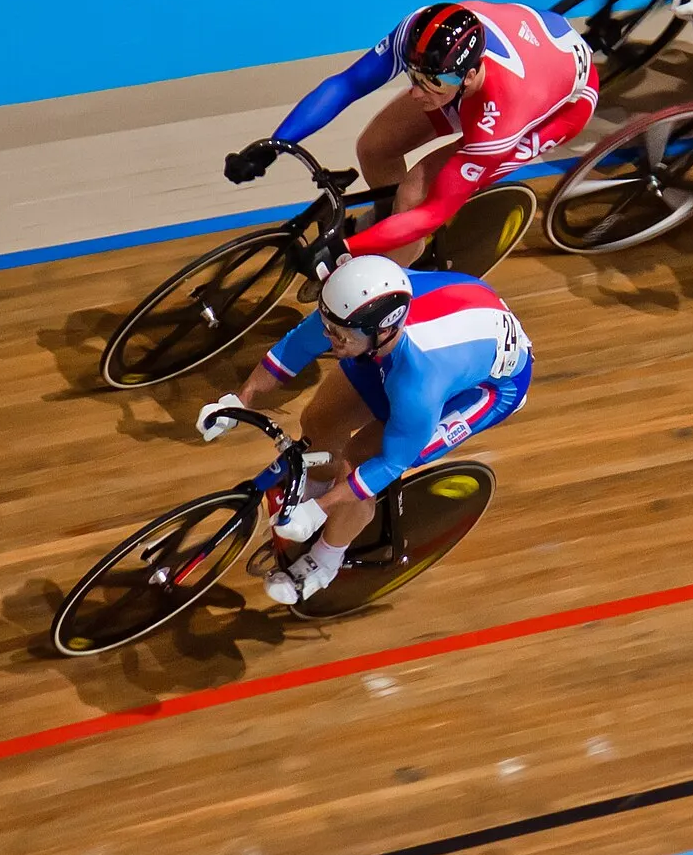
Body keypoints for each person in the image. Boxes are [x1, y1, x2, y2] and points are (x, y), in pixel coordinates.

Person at [194, 256, 532, 604]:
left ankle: (326, 560)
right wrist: (237, 399)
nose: (329, 337)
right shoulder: (352, 309)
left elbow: (389, 463)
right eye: (329, 326)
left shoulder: (418, 383)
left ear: (383, 330)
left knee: (359, 460)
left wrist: (320, 510)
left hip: (489, 388)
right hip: (449, 325)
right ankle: (318, 485)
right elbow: (296, 347)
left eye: (339, 335)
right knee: (320, 420)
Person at [224, 2, 596, 267]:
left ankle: (394, 282)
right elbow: (348, 84)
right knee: (374, 148)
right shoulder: (423, 36)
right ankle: (395, 235)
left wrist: (344, 248)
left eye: (429, 83)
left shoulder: (504, 115)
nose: (416, 92)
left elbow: (433, 212)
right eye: (412, 77)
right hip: (524, 61)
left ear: (468, 75)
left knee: (416, 193)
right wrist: (274, 144)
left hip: (557, 109)